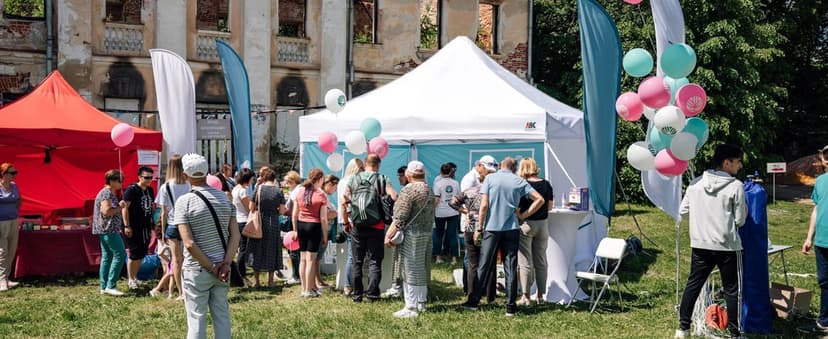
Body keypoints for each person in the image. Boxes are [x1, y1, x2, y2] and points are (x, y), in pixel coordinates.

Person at [675, 144, 747, 339]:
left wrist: (701, 220)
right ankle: (735, 333)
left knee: (693, 285)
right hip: (727, 246)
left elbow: (683, 211)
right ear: (726, 163)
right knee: (732, 290)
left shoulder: (695, 183)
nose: (740, 166)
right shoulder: (736, 186)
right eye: (738, 161)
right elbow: (740, 219)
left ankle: (682, 328)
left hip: (700, 243)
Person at [463, 157, 545, 317]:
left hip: (492, 228)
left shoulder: (490, 179)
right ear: (514, 168)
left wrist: (479, 227)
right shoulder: (519, 181)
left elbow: (484, 205)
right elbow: (540, 199)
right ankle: (510, 306)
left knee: (484, 264)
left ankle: (473, 302)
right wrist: (523, 215)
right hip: (512, 228)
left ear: (500, 165)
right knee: (510, 266)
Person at [175, 153, 239, 339]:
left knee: (196, 319)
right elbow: (235, 235)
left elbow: (189, 243)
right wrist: (225, 264)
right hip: (223, 268)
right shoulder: (225, 199)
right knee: (222, 316)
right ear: (207, 173)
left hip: (197, 268)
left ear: (185, 176)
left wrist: (212, 267)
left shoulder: (184, 202)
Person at [342, 154, 397, 302]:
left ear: (365, 164)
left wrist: (351, 213)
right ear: (378, 165)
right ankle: (372, 294)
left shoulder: (354, 179)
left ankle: (357, 295)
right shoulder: (382, 179)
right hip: (377, 225)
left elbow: (344, 197)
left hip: (357, 225)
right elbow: (394, 196)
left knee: (357, 261)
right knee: (375, 261)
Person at [384, 161, 436, 318]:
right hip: (426, 233)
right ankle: (421, 302)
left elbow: (400, 217)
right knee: (421, 267)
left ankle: (411, 307)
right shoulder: (429, 189)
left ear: (408, 174)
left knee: (409, 268)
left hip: (412, 234)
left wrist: (388, 235)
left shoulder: (408, 190)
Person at [449, 160, 497, 303]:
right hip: (488, 227)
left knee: (472, 263)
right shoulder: (492, 192)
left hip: (470, 228)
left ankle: (472, 295)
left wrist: (465, 212)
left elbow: (452, 202)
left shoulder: (469, 191)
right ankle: (490, 296)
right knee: (490, 263)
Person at [516, 157, 554, 305]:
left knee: (525, 261)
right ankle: (540, 295)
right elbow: (550, 206)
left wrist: (523, 215)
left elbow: (518, 207)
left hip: (527, 225)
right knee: (541, 260)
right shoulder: (546, 184)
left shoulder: (523, 185)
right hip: (543, 225)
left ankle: (525, 296)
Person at [156, 154, 190, 300]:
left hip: (172, 223)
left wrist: (163, 232)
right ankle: (188, 288)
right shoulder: (188, 185)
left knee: (176, 260)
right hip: (186, 223)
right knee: (187, 258)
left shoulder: (166, 187)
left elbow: (163, 212)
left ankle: (181, 292)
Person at [802, 145, 828, 332]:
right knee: (825, 282)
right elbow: (816, 209)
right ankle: (824, 321)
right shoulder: (820, 181)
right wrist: (809, 237)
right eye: (826, 156)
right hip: (821, 240)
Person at [291, 168, 328, 297]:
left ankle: (304, 288)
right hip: (314, 226)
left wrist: (295, 230)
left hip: (301, 225)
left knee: (303, 259)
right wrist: (325, 235)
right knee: (311, 260)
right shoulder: (320, 194)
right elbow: (323, 218)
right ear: (320, 179)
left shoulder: (299, 191)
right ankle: (308, 290)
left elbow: (294, 214)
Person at [248, 166, 287, 288]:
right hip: (273, 223)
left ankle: (256, 281)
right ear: (274, 179)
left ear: (264, 178)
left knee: (257, 249)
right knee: (272, 250)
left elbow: (251, 207)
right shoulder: (279, 191)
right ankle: (270, 280)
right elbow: (282, 211)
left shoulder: (258, 189)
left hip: (259, 223)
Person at [92, 169, 127, 296]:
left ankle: (104, 286)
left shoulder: (107, 193)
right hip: (109, 230)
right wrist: (120, 207)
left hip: (105, 230)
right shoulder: (106, 193)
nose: (121, 184)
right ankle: (111, 285)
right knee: (120, 254)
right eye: (119, 181)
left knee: (107, 256)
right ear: (112, 181)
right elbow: (106, 211)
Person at [122, 166, 156, 290]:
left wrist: (152, 220)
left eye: (151, 178)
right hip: (134, 226)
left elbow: (151, 207)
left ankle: (135, 277)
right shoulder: (131, 190)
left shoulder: (150, 190)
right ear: (139, 177)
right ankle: (131, 279)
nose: (149, 180)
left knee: (142, 253)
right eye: (146, 177)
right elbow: (125, 208)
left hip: (145, 226)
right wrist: (127, 225)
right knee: (134, 253)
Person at [339, 159, 364, 296]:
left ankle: (349, 284)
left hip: (344, 219)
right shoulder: (352, 182)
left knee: (351, 255)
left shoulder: (342, 181)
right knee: (352, 256)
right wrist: (347, 221)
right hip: (350, 220)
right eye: (361, 169)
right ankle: (348, 285)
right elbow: (346, 203)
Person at [433, 162, 460, 265]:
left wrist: (432, 210)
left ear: (441, 171)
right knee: (453, 235)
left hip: (440, 212)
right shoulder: (456, 183)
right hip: (453, 211)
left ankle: (438, 258)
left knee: (439, 235)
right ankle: (454, 259)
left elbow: (436, 199)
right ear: (450, 172)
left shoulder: (437, 184)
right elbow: (458, 198)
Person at [232, 168, 255, 285]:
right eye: (252, 179)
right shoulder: (242, 191)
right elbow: (249, 208)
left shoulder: (235, 189)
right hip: (244, 220)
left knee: (241, 248)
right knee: (243, 249)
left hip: (237, 220)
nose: (252, 181)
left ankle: (241, 274)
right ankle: (241, 275)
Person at [316, 174, 339, 290]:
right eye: (335, 187)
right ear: (329, 184)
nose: (335, 190)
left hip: (322, 229)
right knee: (316, 257)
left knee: (317, 258)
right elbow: (326, 215)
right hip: (321, 229)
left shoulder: (322, 195)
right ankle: (317, 281)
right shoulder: (322, 195)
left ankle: (318, 279)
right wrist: (338, 213)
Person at [0, 163, 21, 291]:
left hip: (13, 220)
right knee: (2, 251)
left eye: (15, 172)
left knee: (12, 249)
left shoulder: (14, 186)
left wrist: (14, 212)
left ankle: (7, 278)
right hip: (1, 222)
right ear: (3, 174)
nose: (15, 175)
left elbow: (19, 200)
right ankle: (1, 280)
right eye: (12, 173)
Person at [283, 170, 303, 285]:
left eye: (288, 182)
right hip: (301, 222)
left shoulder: (295, 192)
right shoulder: (299, 189)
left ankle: (296, 276)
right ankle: (298, 274)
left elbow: (291, 211)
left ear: (293, 181)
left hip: (294, 222)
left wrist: (280, 211)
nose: (286, 184)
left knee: (293, 249)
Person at [150, 224, 174, 299]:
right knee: (168, 273)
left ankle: (165, 289)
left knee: (167, 272)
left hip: (165, 255)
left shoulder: (160, 231)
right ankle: (159, 289)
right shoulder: (166, 235)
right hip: (167, 255)